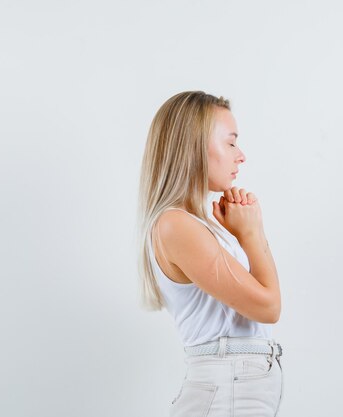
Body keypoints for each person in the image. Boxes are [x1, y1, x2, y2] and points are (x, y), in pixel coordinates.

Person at [136, 91, 284, 417]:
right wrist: (251, 233)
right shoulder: (176, 225)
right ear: (194, 147)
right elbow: (268, 307)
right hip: (228, 389)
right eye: (230, 143)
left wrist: (245, 234)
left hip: (232, 387)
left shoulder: (196, 225)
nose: (241, 155)